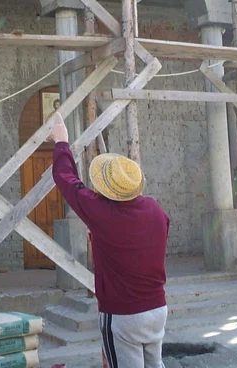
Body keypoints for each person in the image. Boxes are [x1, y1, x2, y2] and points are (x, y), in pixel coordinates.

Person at [47, 112, 170, 368]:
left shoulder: (103, 213)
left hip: (123, 315)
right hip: (157, 309)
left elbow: (67, 180)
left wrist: (61, 142)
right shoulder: (155, 209)